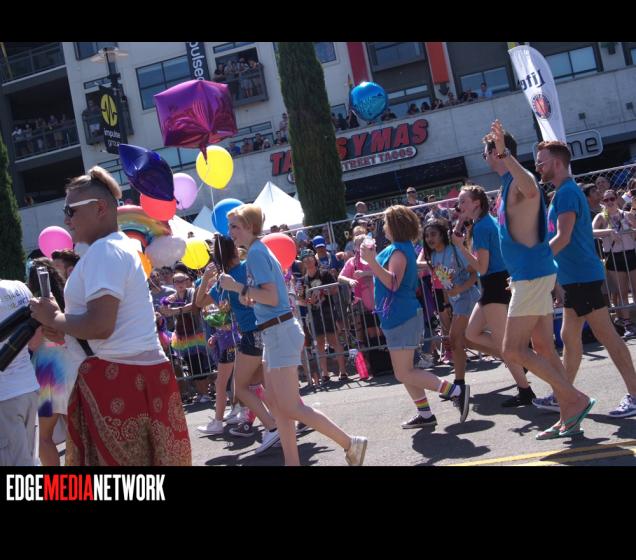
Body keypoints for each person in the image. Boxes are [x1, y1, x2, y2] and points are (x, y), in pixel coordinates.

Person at [29, 166, 191, 465]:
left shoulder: (105, 251)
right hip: (133, 374)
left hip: (120, 379)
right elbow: (109, 325)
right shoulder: (116, 247)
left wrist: (53, 318)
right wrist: (63, 328)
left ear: (100, 208)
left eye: (71, 210)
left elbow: (100, 326)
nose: (66, 220)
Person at [220, 204, 367, 466]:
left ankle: (350, 443)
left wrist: (238, 288)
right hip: (274, 332)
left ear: (250, 227)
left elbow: (271, 296)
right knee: (278, 405)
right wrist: (248, 296)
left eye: (235, 226)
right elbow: (269, 296)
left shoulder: (255, 253)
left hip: (279, 332)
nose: (230, 232)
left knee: (289, 406)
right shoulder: (257, 251)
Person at [484, 119, 594, 439]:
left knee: (513, 350)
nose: (486, 157)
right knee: (543, 346)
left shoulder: (519, 179)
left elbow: (531, 187)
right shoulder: (505, 185)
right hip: (529, 275)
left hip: (532, 275)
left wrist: (505, 154)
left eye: (488, 152)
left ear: (498, 152)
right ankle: (568, 414)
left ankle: (574, 398)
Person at [533, 140, 636, 418]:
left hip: (582, 277)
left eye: (541, 162)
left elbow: (563, 237)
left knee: (607, 336)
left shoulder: (567, 193)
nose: (538, 166)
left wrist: (536, 263)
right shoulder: (562, 193)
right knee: (569, 336)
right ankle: (563, 394)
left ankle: (634, 394)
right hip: (574, 278)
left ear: (557, 163)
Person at [360, 205, 471, 430]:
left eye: (386, 223)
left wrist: (371, 262)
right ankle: (425, 414)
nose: (384, 227)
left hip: (401, 316)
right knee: (407, 371)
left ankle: (455, 391)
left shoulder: (399, 251)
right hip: (397, 316)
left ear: (394, 226)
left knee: (404, 372)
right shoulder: (398, 249)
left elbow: (393, 283)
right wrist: (369, 259)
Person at [453, 185, 534, 407]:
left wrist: (461, 248)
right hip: (494, 283)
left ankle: (525, 389)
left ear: (476, 203)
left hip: (494, 284)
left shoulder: (482, 227)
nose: (459, 206)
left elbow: (482, 266)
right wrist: (460, 228)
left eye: (463, 201)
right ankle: (520, 356)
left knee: (504, 344)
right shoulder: (484, 222)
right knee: (471, 333)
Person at [195, 235, 280, 446]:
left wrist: (206, 278)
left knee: (240, 388)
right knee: (259, 383)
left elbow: (200, 302)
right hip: (266, 329)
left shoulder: (226, 279)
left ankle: (272, 426)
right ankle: (287, 420)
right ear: (234, 250)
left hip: (252, 334)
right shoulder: (245, 268)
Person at [26, 259, 83, 466]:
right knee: (77, 435)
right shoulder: (68, 301)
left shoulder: (34, 306)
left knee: (44, 437)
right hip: (70, 368)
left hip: (45, 374)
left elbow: (33, 344)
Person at [423, 219, 480, 395]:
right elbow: (445, 283)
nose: (429, 238)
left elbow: (475, 274)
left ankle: (459, 385)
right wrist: (447, 303)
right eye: (426, 236)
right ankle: (508, 355)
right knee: (466, 340)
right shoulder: (433, 257)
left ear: (442, 234)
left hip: (468, 297)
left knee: (455, 339)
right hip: (456, 302)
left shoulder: (454, 250)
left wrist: (460, 289)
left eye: (433, 234)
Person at [0, 279, 40, 466]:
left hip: (5, 397)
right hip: (29, 386)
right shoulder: (20, 287)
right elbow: (35, 342)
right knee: (29, 461)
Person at [159, 272, 212, 403]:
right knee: (190, 364)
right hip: (182, 335)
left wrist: (176, 310)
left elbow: (193, 306)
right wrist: (165, 305)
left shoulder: (192, 292)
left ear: (187, 281)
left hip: (196, 332)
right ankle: (200, 393)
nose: (180, 284)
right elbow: (164, 308)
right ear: (173, 284)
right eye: (177, 281)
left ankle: (206, 392)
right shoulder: (173, 296)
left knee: (199, 363)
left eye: (182, 280)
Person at [300, 249, 349, 383]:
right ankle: (325, 374)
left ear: (314, 259)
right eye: (305, 259)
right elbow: (301, 299)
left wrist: (325, 291)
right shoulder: (303, 280)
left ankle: (343, 371)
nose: (308, 261)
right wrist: (308, 301)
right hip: (314, 315)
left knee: (334, 341)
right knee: (320, 344)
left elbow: (335, 288)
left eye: (310, 258)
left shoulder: (324, 273)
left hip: (328, 311)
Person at [592, 189, 636, 337]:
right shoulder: (601, 217)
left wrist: (631, 227)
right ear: (603, 202)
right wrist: (608, 232)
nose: (610, 202)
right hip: (614, 257)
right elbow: (590, 231)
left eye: (612, 198)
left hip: (631, 254)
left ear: (617, 199)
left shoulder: (627, 214)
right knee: (622, 291)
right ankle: (627, 323)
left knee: (635, 289)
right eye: (606, 200)